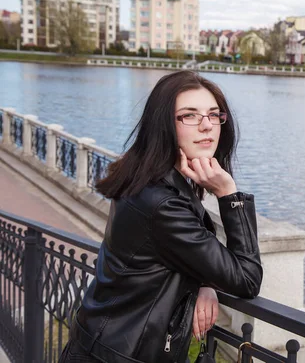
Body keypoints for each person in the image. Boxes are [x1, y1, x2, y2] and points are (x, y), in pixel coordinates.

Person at [59, 70, 263, 363]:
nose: (206, 126)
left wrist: (206, 281)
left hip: (100, 345)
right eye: (189, 116)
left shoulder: (146, 177)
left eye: (213, 114)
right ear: (164, 124)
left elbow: (188, 245)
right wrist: (229, 194)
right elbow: (247, 279)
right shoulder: (161, 204)